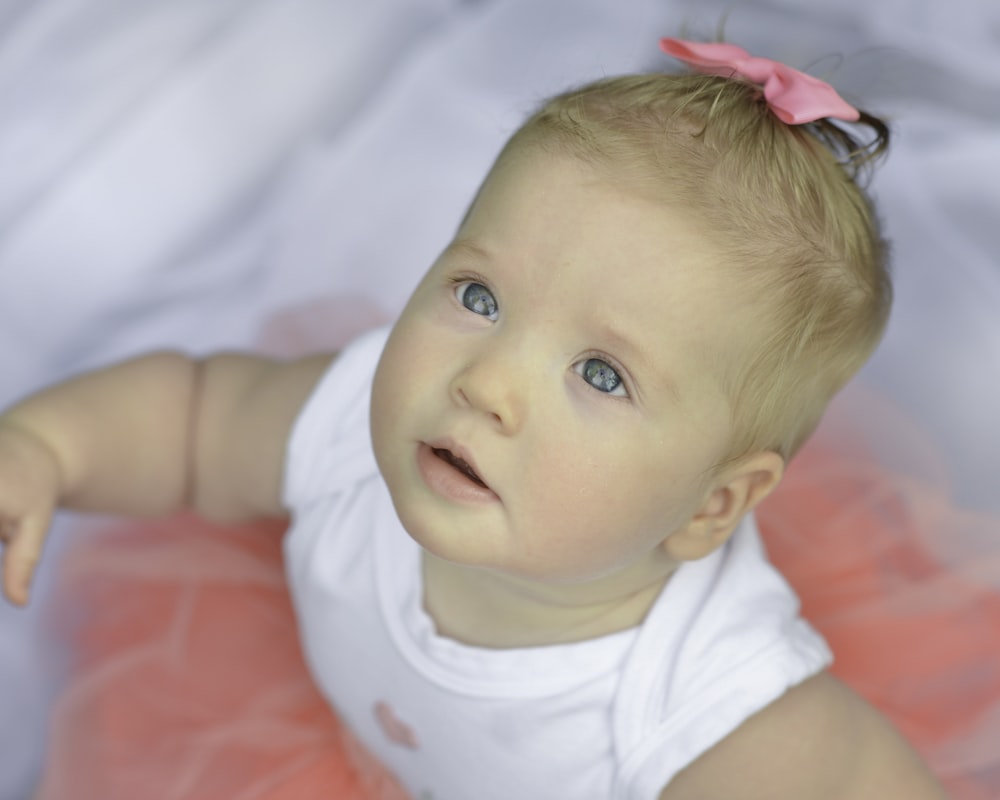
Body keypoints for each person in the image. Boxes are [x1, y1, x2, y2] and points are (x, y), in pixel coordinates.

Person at [0, 38, 953, 798]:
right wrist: (46, 445)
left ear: (712, 506)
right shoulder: (347, 427)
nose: (487, 383)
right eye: (481, 297)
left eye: (600, 374)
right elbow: (194, 416)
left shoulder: (707, 707)